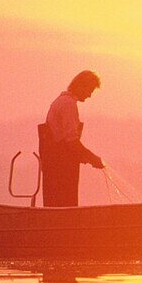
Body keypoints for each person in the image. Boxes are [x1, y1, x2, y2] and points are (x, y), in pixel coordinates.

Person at [39, 70, 104, 207]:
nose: (90, 95)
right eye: (90, 90)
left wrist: (84, 157)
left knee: (55, 208)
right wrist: (92, 158)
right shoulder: (68, 105)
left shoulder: (60, 102)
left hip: (55, 166)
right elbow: (71, 141)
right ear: (81, 86)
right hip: (60, 170)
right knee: (64, 208)